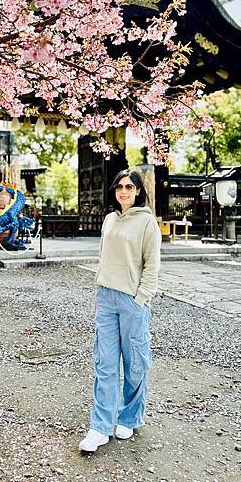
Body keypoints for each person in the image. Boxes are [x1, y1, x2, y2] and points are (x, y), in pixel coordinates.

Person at [79, 169, 162, 452]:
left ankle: (129, 416)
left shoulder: (147, 223)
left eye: (129, 187)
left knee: (135, 363)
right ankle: (100, 427)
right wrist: (98, 292)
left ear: (138, 191)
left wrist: (141, 298)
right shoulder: (109, 220)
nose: (123, 191)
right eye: (119, 187)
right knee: (105, 363)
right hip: (105, 298)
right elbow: (103, 258)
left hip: (131, 302)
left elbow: (152, 266)